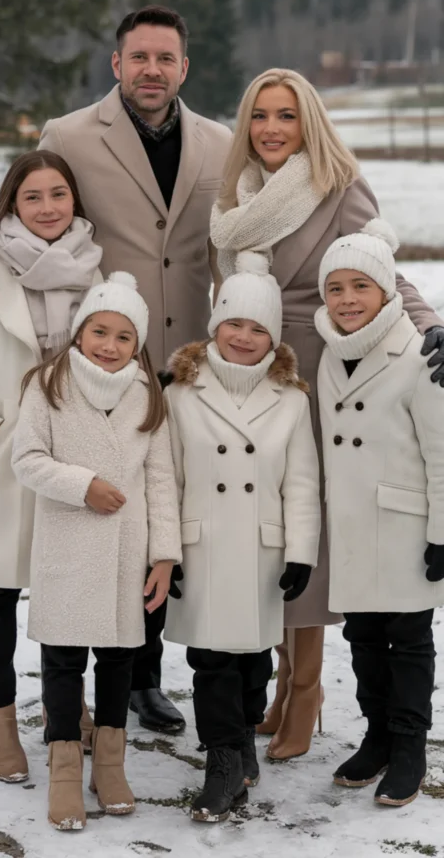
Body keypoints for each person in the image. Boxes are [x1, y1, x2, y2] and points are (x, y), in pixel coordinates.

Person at [0, 5, 231, 734]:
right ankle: (64, 692)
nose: (150, 69)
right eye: (137, 57)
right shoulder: (71, 136)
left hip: (184, 365)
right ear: (117, 64)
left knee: (143, 533)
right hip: (97, 365)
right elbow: (25, 209)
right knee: (76, 538)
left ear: (183, 67)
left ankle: (141, 681)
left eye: (164, 58)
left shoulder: (218, 143)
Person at [210, 68, 444, 761]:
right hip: (256, 374)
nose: (273, 128)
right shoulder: (235, 199)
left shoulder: (338, 184)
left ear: (308, 122)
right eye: (260, 116)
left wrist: (432, 325)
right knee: (272, 532)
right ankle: (283, 687)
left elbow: (382, 272)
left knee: (307, 533)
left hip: (320, 373)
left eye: (286, 115)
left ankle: (305, 690)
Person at [12, 272, 182, 831]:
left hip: (127, 551)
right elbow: (28, 460)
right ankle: (64, 770)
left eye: (123, 337)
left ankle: (109, 765)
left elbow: (160, 479)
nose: (109, 346)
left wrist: (164, 555)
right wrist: (82, 484)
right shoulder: (47, 385)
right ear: (80, 331)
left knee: (117, 660)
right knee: (63, 660)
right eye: (99, 331)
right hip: (68, 538)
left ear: (139, 345)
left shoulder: (146, 394)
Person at [0, 149, 102, 784]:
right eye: (33, 197)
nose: (47, 208)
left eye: (59, 195)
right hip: (3, 456)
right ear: (12, 203)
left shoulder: (98, 268)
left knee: (66, 592)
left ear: (75, 200)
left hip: (73, 452)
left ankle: (65, 709)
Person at [163, 252, 321, 822]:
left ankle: (242, 740)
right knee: (211, 661)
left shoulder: (292, 399)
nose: (244, 337)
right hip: (202, 545)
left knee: (254, 660)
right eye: (234, 322)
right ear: (215, 324)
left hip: (261, 548)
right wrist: (166, 550)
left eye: (259, 328)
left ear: (274, 337)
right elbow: (166, 479)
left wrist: (301, 552)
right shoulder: (180, 393)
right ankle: (222, 762)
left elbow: (302, 483)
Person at [315, 219, 444, 807]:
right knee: (364, 637)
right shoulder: (326, 351)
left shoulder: (421, 355)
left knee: (409, 638)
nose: (346, 300)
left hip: (403, 525)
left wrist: (442, 533)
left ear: (389, 290)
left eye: (360, 286)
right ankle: (376, 734)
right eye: (335, 288)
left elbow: (442, 456)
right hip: (349, 522)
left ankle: (410, 744)